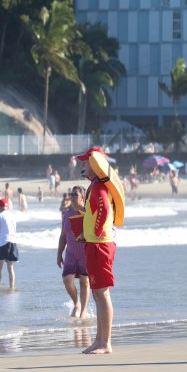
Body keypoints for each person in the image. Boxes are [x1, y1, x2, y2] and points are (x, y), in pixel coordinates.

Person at [77, 147, 119, 354]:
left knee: (102, 293)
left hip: (101, 245)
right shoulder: (94, 185)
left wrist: (95, 230)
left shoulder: (99, 188)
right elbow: (95, 212)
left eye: (85, 163)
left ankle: (106, 342)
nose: (83, 165)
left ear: (94, 165)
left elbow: (104, 208)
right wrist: (86, 233)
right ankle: (99, 340)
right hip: (94, 243)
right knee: (97, 293)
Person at [56, 186, 89, 318]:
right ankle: (77, 303)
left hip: (85, 253)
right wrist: (59, 255)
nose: (72, 196)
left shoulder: (88, 213)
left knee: (84, 282)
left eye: (75, 194)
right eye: (71, 194)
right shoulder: (67, 214)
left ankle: (83, 311)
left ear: (83, 197)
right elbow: (63, 236)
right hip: (70, 253)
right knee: (67, 279)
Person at [0, 198, 18, 289]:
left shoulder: (0, 215)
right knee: (10, 268)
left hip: (4, 243)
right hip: (13, 243)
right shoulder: (13, 216)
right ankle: (12, 288)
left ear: (0, 207)